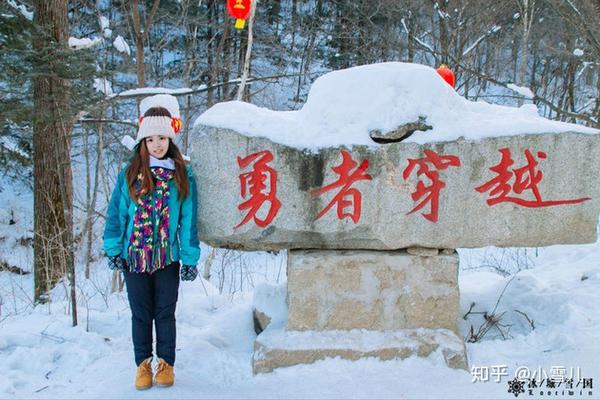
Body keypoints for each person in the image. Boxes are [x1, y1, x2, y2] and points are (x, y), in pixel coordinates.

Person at [103, 100, 200, 390]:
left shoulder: (182, 175)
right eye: (150, 139)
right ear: (142, 142)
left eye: (161, 138)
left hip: (167, 258)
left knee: (165, 313)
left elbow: (188, 220)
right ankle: (143, 364)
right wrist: (113, 250)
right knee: (141, 313)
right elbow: (116, 215)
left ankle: (166, 364)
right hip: (134, 257)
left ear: (170, 140)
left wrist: (190, 259)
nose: (156, 144)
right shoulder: (130, 173)